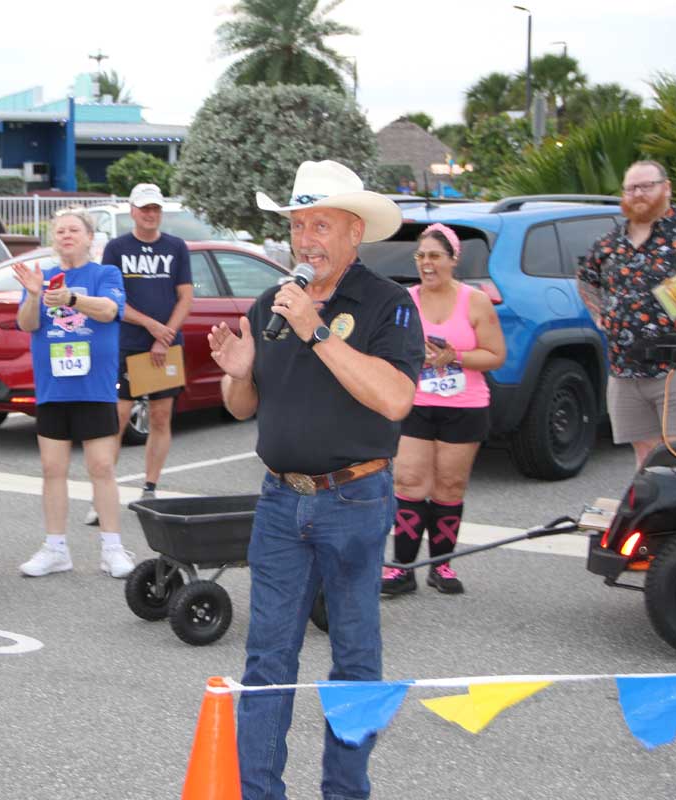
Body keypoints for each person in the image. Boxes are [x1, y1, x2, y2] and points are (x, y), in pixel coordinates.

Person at [209, 160, 424, 800]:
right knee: (267, 660)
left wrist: (316, 329)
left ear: (355, 231)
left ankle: (345, 792)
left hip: (354, 500)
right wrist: (239, 374)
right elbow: (243, 407)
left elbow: (395, 399)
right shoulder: (270, 304)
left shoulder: (387, 304)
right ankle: (258, 792)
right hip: (280, 501)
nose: (305, 240)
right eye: (297, 225)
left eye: (320, 225)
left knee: (355, 658)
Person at [11, 208, 135, 579]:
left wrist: (71, 299)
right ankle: (55, 549)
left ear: (89, 238)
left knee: (102, 467)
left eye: (74, 230)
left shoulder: (104, 274)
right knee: (52, 469)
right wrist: (34, 294)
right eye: (60, 231)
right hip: (53, 388)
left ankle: (112, 548)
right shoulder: (43, 276)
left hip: (95, 387)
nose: (66, 235)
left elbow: (109, 310)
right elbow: (27, 324)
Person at [382, 223, 506, 596]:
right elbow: (388, 348)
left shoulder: (475, 301)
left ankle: (442, 567)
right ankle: (402, 569)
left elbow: (496, 355)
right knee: (409, 482)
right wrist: (411, 356)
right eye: (421, 256)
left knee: (449, 486)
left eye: (435, 256)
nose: (427, 263)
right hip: (417, 402)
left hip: (464, 406)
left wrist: (456, 357)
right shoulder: (405, 300)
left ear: (453, 260)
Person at [82, 182, 192, 526]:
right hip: (128, 343)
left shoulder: (176, 247)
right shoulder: (117, 248)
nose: (150, 214)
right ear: (132, 211)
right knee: (116, 418)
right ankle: (102, 494)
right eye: (144, 208)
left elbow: (185, 297)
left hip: (165, 348)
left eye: (155, 208)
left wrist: (165, 335)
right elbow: (113, 301)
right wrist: (151, 326)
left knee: (160, 417)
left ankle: (150, 488)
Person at [577, 160, 676, 469]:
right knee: (645, 461)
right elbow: (586, 278)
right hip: (625, 370)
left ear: (666, 188)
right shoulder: (611, 242)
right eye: (631, 188)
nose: (638, 194)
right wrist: (599, 314)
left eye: (646, 186)